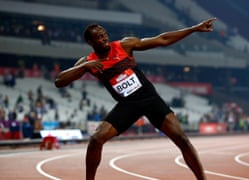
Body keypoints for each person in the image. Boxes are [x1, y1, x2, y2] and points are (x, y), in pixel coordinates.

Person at [55, 17, 217, 180]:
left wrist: (194, 28)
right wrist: (84, 67)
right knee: (96, 139)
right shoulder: (88, 61)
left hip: (149, 98)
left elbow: (162, 39)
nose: (104, 37)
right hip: (128, 105)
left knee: (182, 139)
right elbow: (59, 81)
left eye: (104, 34)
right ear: (90, 42)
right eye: (99, 36)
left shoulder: (124, 45)